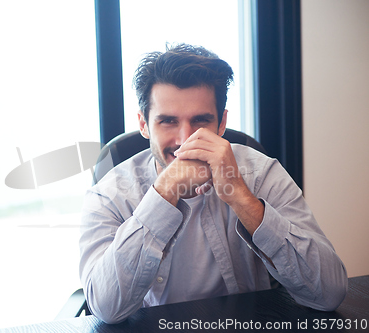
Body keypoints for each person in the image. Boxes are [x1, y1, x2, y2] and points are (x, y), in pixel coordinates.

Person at [79, 43, 347, 324]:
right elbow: (106, 307)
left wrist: (241, 196)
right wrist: (164, 191)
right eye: (168, 121)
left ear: (221, 124)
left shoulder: (261, 172)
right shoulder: (109, 194)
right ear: (144, 125)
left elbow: (329, 293)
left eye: (201, 121)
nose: (185, 139)